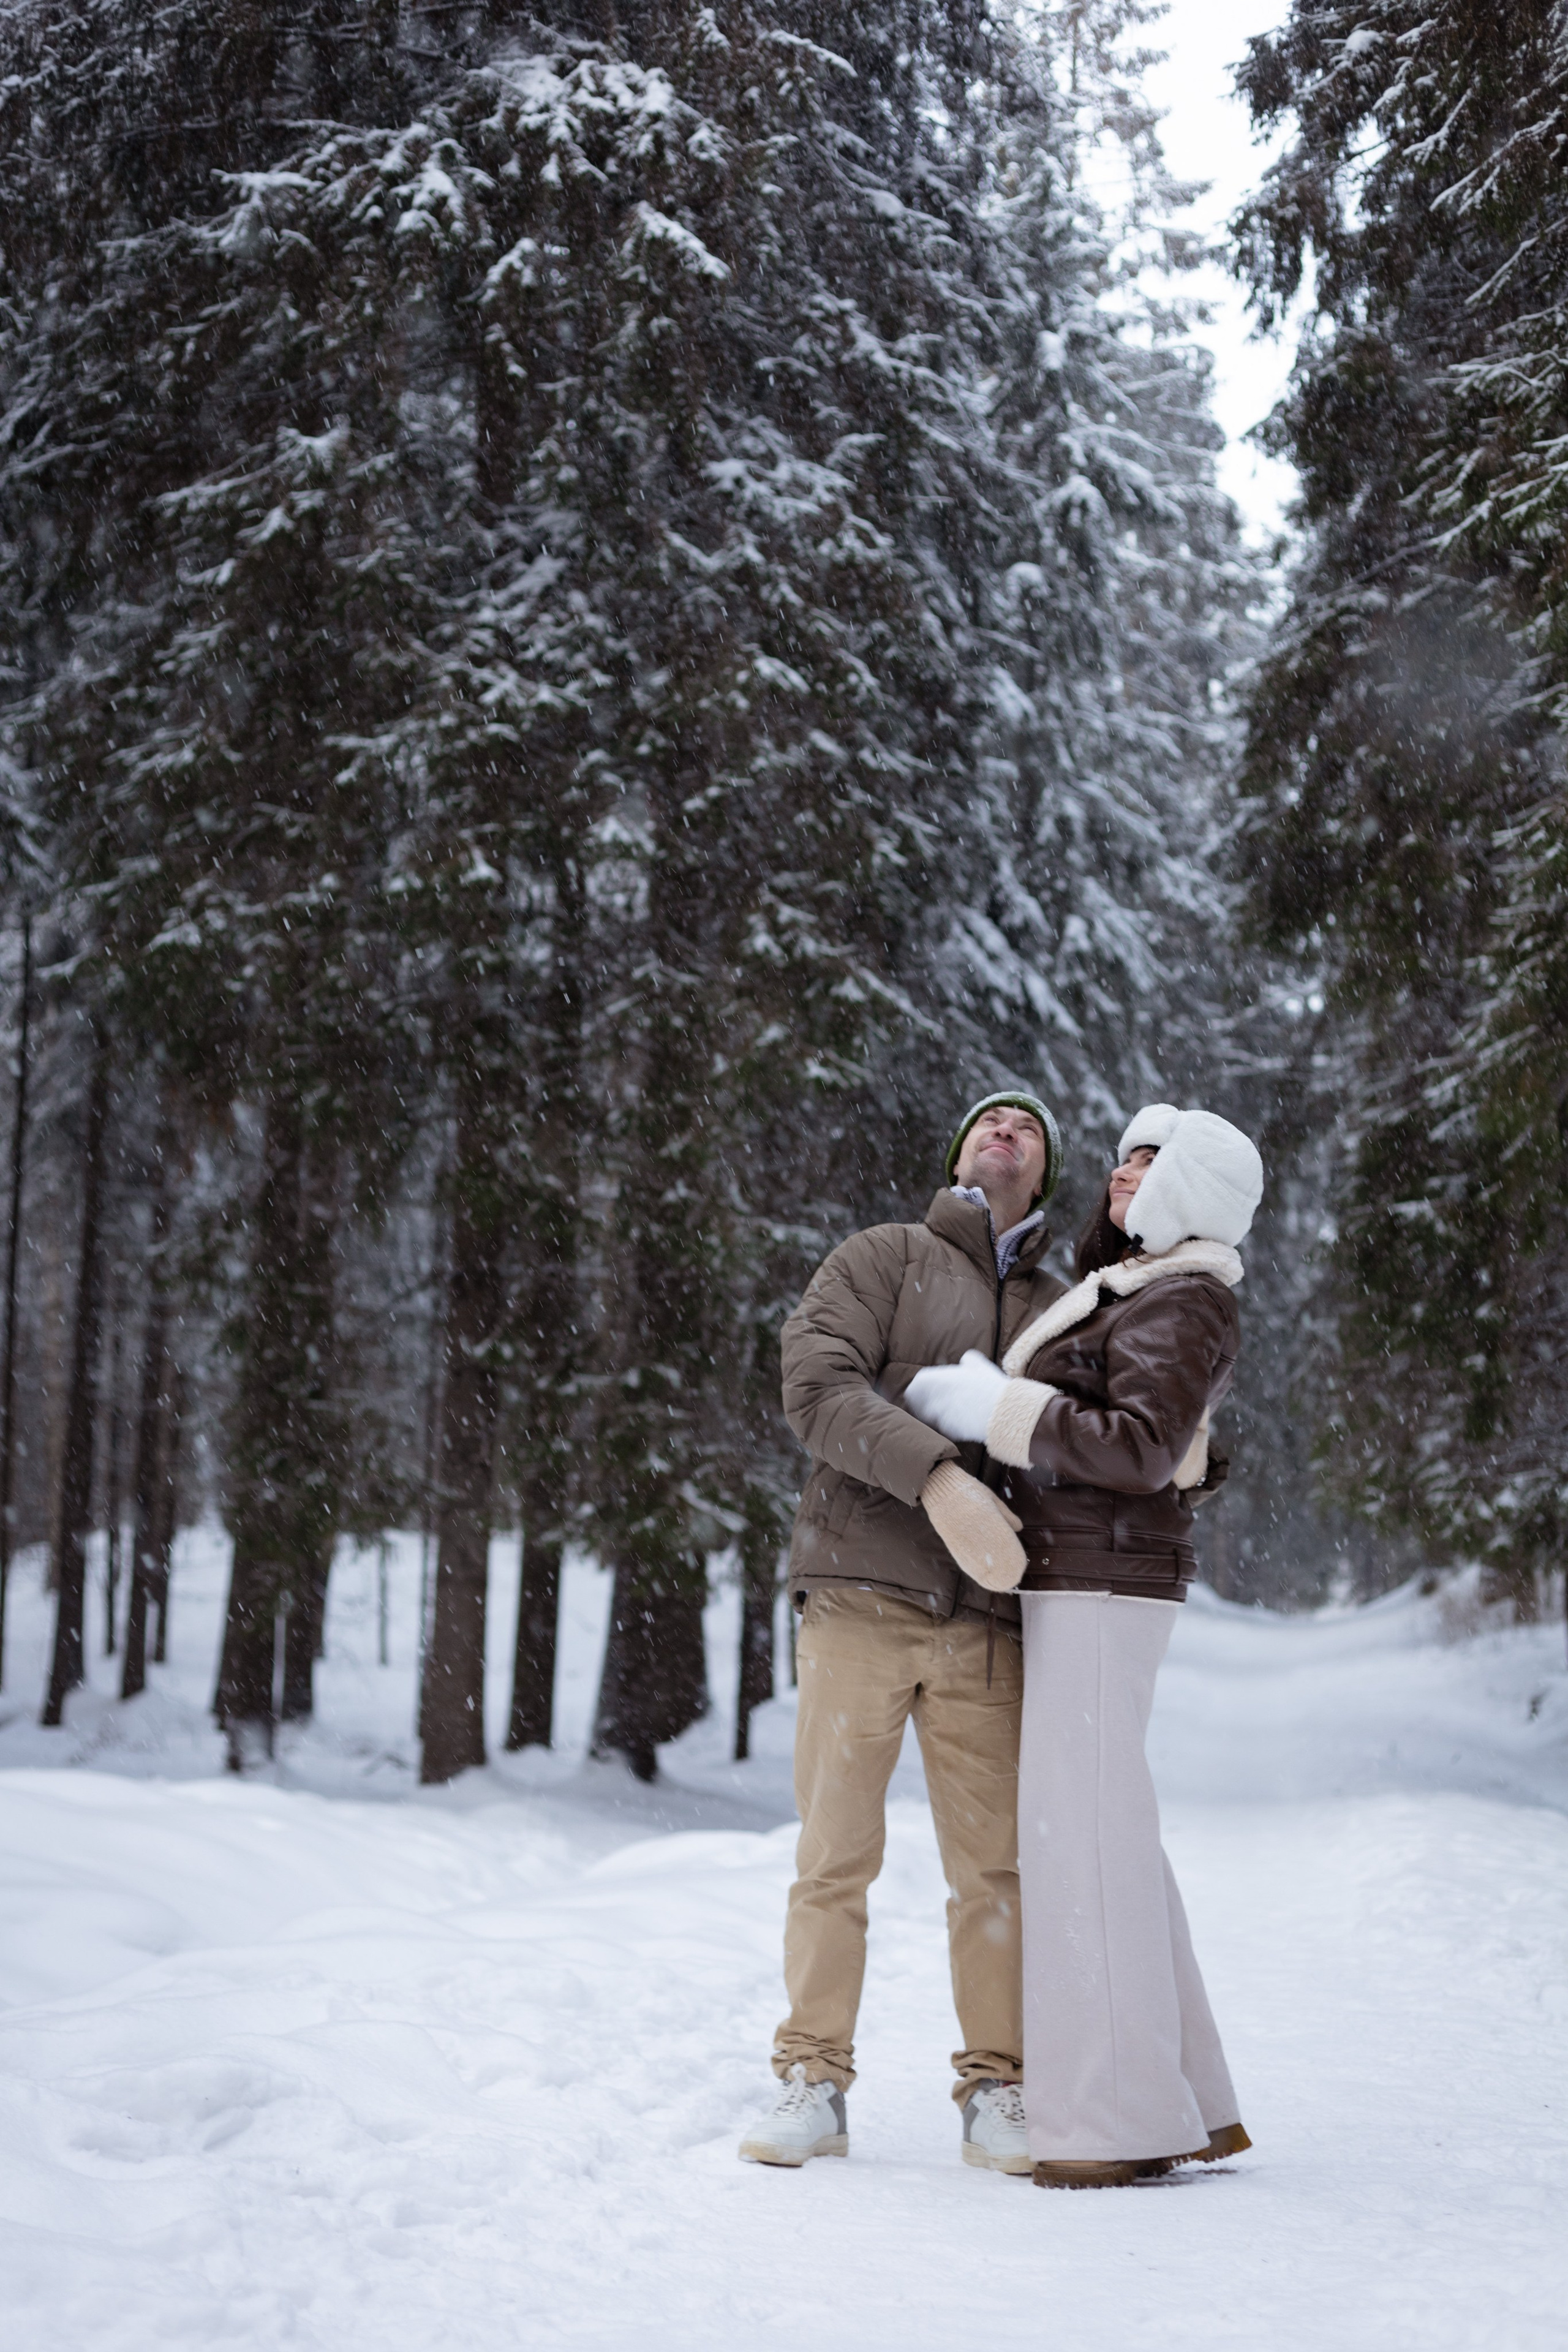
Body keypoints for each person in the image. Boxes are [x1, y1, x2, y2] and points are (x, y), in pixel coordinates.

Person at [905, 1104, 1263, 2188]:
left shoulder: (1186, 1290)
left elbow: (1143, 1449)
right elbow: (1160, 1439)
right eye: (1120, 1159)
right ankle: (1186, 2095)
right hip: (1090, 1574)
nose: (1122, 1176)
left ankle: (1116, 2122)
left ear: (1193, 1186)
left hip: (1104, 1579)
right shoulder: (1144, 1286)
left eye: (1150, 1164)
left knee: (1086, 1845)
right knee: (1113, 1838)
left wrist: (998, 1406)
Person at [737, 1093, 1067, 2173]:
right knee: (834, 1857)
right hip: (859, 1598)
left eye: (1026, 1126)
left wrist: (1185, 1457)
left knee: (997, 1873)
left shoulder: (1066, 1306)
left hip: (990, 1627)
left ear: (1046, 1169)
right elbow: (817, 1385)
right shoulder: (886, 1257)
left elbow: (1098, 1444)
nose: (1004, 1130)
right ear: (958, 1152)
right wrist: (937, 1475)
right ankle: (812, 2081)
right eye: (987, 1121)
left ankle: (999, 2091)